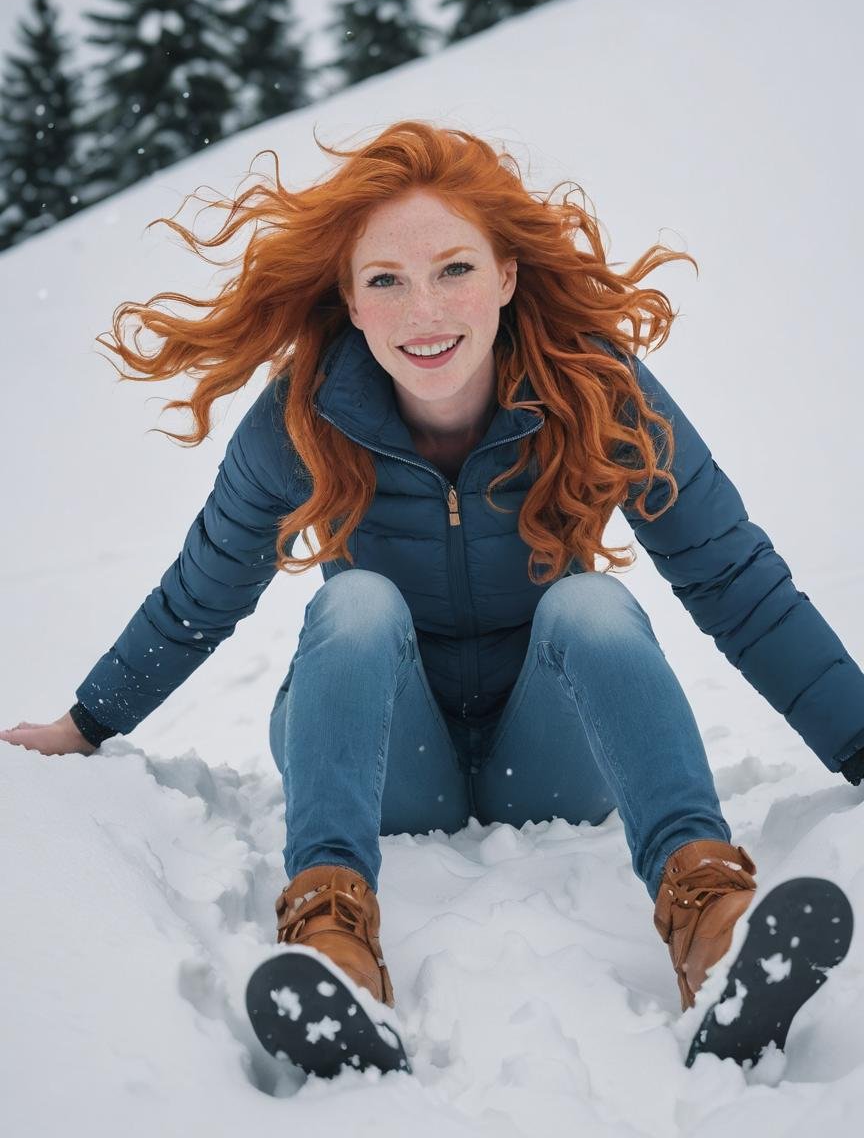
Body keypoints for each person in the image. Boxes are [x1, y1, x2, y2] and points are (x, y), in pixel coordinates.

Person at [3, 119, 864, 1018]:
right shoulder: (303, 418)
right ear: (352, 301)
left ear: (506, 275)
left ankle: (713, 920)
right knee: (358, 605)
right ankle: (331, 937)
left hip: (552, 758)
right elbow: (202, 592)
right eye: (387, 281)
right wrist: (85, 722)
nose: (425, 313)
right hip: (380, 768)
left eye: (454, 268)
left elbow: (734, 579)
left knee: (592, 606)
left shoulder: (596, 390)